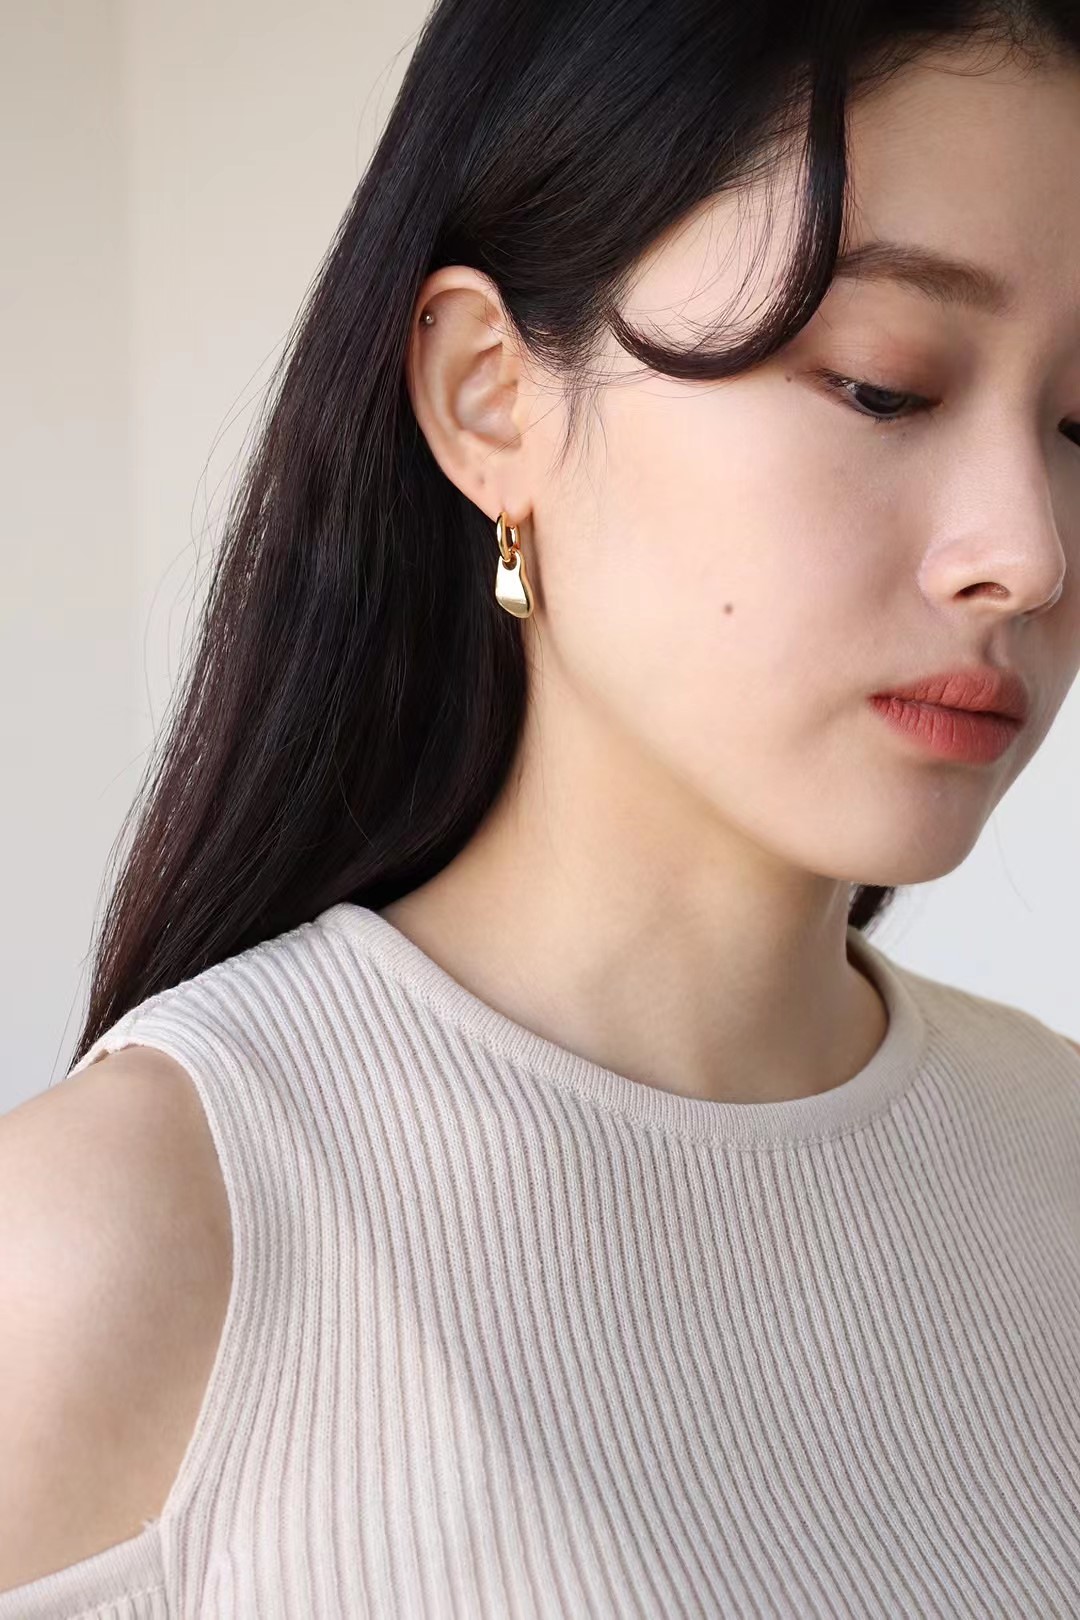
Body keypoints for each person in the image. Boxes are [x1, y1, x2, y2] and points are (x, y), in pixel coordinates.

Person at [3, 1, 1080, 1615]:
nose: (1030, 552)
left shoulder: (1057, 1157)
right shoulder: (127, 1243)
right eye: (884, 386)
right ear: (491, 395)